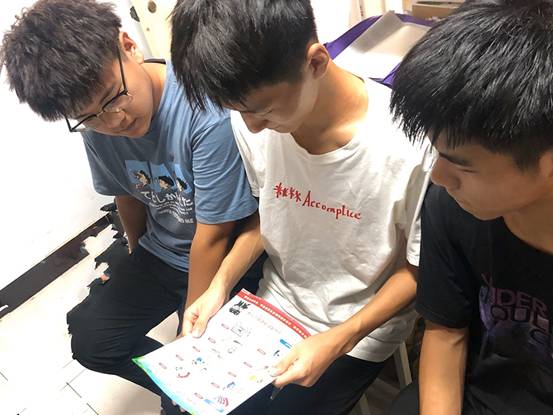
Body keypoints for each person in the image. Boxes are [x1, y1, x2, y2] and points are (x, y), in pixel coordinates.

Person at [170, 1, 433, 414]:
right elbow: (269, 215)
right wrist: (219, 284)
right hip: (272, 307)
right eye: (239, 111)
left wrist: (340, 339)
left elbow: (420, 270)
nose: (252, 126)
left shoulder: (409, 146)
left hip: (359, 328)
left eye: (264, 110)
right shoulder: (251, 122)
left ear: (316, 62)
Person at [0, 0, 258, 413]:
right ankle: (177, 387)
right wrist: (136, 255)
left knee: (201, 399)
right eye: (89, 116)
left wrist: (188, 341)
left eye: (114, 97)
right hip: (162, 252)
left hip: (223, 254)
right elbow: (128, 194)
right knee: (92, 341)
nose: (114, 121)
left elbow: (215, 235)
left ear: (128, 46)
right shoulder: (96, 127)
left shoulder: (203, 111)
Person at [388, 1, 553, 414]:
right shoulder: (452, 207)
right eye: (437, 152)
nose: (439, 176)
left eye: (462, 165)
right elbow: (446, 332)